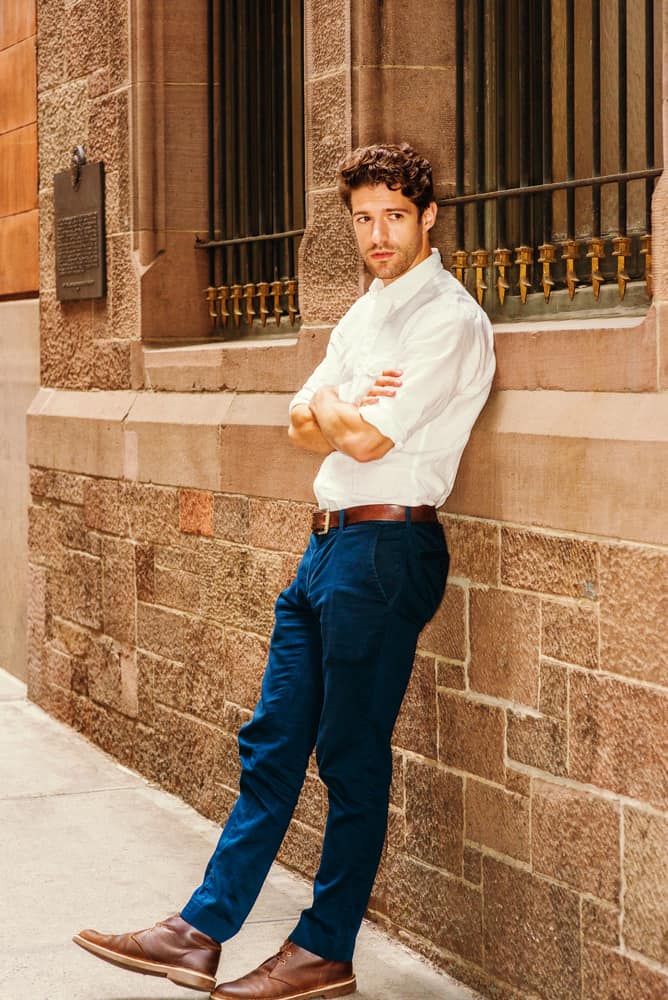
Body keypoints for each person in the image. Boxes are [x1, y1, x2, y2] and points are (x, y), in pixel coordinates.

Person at [73, 143, 496, 999]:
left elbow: (367, 438)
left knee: (348, 756)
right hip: (324, 549)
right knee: (270, 745)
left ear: (429, 218)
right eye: (364, 219)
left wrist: (335, 408)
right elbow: (297, 422)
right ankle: (200, 930)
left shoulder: (446, 320)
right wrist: (341, 404)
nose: (378, 235)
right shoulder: (363, 315)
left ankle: (323, 950)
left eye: (395, 217)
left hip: (385, 549)